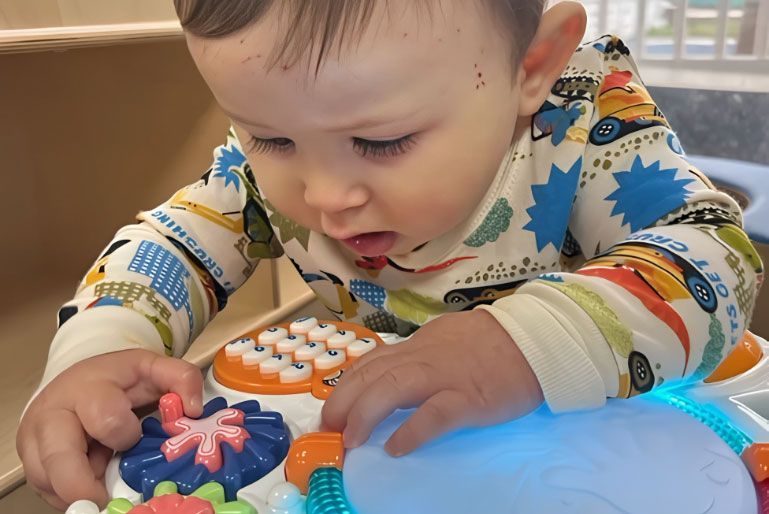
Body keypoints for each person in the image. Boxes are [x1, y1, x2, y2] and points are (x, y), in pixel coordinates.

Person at [17, 0, 763, 510]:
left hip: (600, 448)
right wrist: (100, 348)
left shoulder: (582, 125)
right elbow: (168, 244)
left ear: (531, 66)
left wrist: (531, 342)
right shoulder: (268, 176)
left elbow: (714, 251)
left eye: (380, 141)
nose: (323, 194)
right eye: (269, 137)